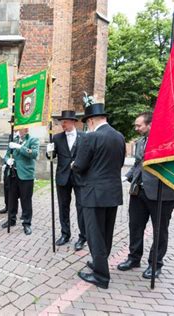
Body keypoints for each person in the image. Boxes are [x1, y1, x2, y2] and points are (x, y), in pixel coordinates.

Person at [117, 112, 174, 279]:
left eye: (139, 125)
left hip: (163, 194)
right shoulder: (140, 142)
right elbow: (139, 164)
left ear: (150, 124)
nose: (136, 128)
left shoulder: (168, 142)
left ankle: (155, 264)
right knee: (135, 226)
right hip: (139, 191)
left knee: (160, 230)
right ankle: (134, 258)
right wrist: (127, 176)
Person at [72, 103, 126, 289]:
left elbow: (79, 166)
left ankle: (101, 276)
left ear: (92, 120)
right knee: (106, 233)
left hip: (93, 194)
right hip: (112, 192)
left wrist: (73, 166)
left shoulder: (91, 137)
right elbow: (119, 163)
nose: (88, 126)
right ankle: (99, 263)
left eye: (87, 122)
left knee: (94, 234)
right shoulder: (119, 136)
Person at [46, 110, 87, 251]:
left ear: (73, 122)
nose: (62, 124)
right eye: (62, 121)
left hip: (80, 177)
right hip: (62, 177)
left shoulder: (84, 136)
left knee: (81, 207)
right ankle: (65, 234)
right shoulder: (57, 138)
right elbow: (51, 157)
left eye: (65, 121)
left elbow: (88, 156)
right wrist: (49, 150)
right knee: (63, 207)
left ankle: (83, 237)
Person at [2, 127, 39, 235]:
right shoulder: (14, 139)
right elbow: (7, 154)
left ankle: (27, 223)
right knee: (12, 199)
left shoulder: (33, 140)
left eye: (22, 128)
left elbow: (33, 154)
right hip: (13, 173)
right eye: (19, 128)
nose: (19, 130)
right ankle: (11, 219)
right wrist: (7, 160)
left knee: (26, 200)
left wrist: (19, 147)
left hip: (26, 175)